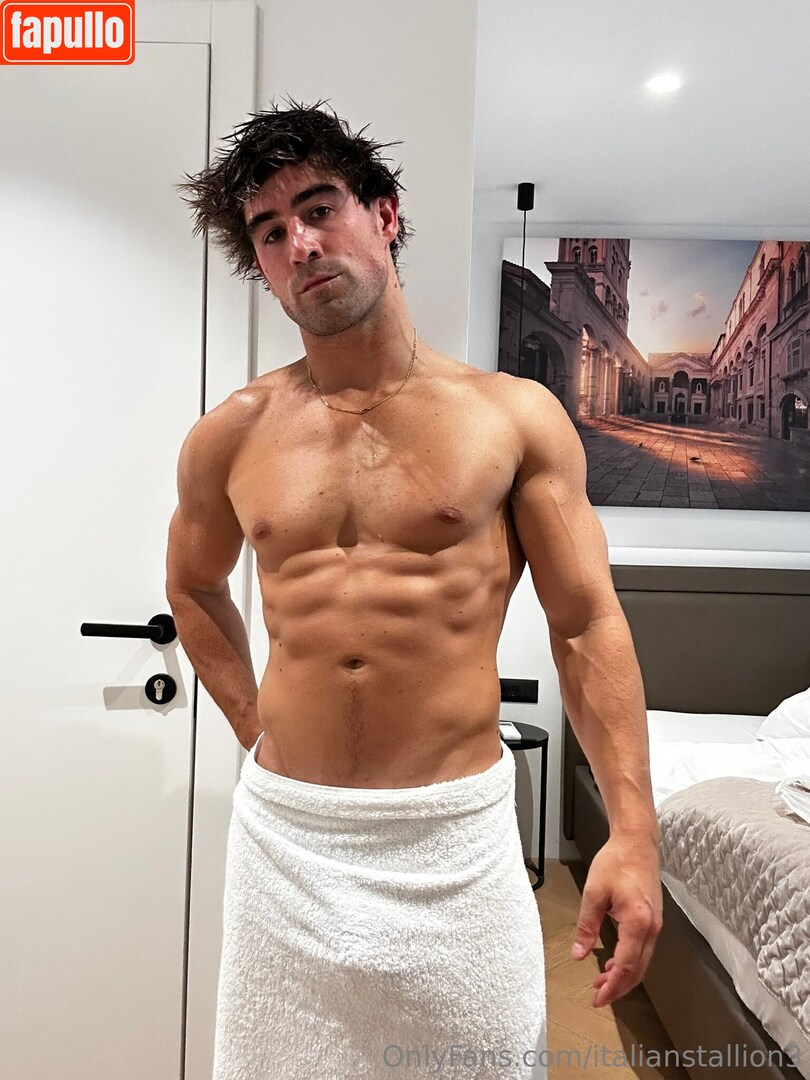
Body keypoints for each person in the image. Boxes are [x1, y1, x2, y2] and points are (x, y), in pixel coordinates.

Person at [167, 99, 662, 1079]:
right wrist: (257, 728)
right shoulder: (230, 434)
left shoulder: (512, 417)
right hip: (289, 842)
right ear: (260, 265)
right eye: (271, 233)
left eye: (319, 209)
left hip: (451, 844)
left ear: (384, 214)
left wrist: (634, 833)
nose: (301, 245)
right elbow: (192, 587)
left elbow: (585, 625)